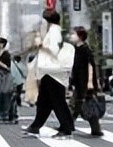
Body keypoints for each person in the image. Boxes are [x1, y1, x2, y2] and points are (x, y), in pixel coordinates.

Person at [23, 9, 74, 139]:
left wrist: (40, 45)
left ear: (47, 21)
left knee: (57, 102)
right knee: (45, 101)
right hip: (49, 72)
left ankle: (66, 129)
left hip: (53, 72)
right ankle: (36, 126)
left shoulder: (54, 32)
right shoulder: (53, 31)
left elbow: (54, 50)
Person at [69, 29, 102, 137]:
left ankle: (67, 126)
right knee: (78, 105)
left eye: (74, 34)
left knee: (82, 105)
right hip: (79, 82)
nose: (71, 36)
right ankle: (95, 129)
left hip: (84, 83)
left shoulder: (85, 50)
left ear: (80, 36)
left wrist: (90, 83)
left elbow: (90, 67)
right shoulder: (76, 49)